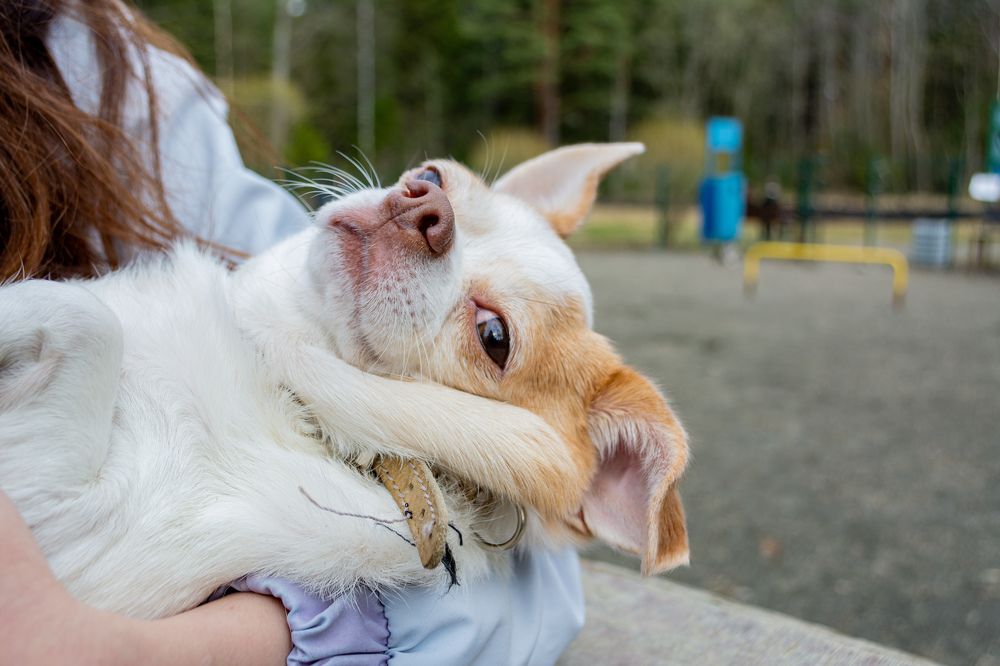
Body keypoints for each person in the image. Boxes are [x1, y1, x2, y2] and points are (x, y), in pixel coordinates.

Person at [0, 1, 584, 664]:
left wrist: (183, 649)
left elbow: (536, 570)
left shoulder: (90, 59)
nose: (419, 208)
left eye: (492, 334)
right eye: (429, 180)